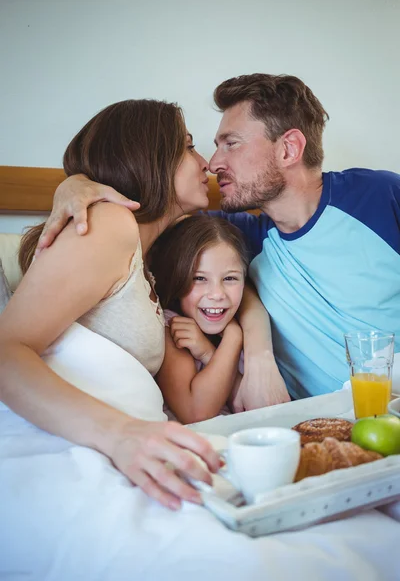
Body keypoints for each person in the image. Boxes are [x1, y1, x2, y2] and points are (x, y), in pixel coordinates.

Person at [38, 74, 400, 401]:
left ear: (288, 149)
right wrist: (75, 184)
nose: (213, 163)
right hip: (323, 427)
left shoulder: (380, 196)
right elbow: (142, 204)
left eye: (231, 143)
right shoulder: (238, 237)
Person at [0, 98, 224, 511]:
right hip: (73, 450)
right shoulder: (109, 224)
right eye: (189, 146)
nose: (206, 162)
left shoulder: (149, 262)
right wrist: (119, 435)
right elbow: (6, 352)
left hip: (119, 445)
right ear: (150, 158)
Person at [151, 215, 257, 423]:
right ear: (177, 277)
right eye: (199, 278)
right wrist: (233, 337)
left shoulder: (247, 325)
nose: (217, 294)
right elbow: (196, 412)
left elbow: (247, 403)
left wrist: (210, 353)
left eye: (230, 279)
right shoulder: (172, 328)